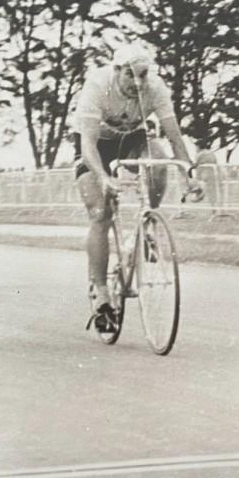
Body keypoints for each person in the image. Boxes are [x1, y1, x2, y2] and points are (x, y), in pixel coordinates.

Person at [73, 43, 201, 334]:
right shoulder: (96, 86)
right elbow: (88, 145)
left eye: (144, 75)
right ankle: (102, 293)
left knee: (157, 161)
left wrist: (188, 175)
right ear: (117, 71)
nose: (139, 83)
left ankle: (147, 226)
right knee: (100, 212)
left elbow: (174, 136)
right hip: (95, 145)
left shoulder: (155, 88)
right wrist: (104, 178)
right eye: (132, 76)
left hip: (132, 138)